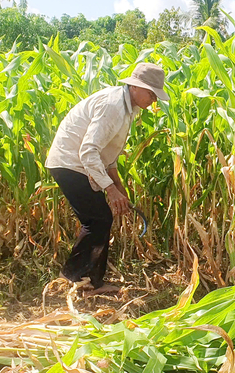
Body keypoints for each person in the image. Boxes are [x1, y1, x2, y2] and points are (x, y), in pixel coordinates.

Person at [45, 63, 169, 294]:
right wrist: (110, 190)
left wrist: (118, 185)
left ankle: (92, 282)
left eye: (155, 95)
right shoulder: (113, 105)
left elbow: (107, 154)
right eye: (150, 93)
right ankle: (67, 279)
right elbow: (88, 151)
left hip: (82, 164)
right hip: (70, 163)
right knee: (98, 219)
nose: (153, 99)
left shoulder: (128, 108)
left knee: (100, 220)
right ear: (134, 87)